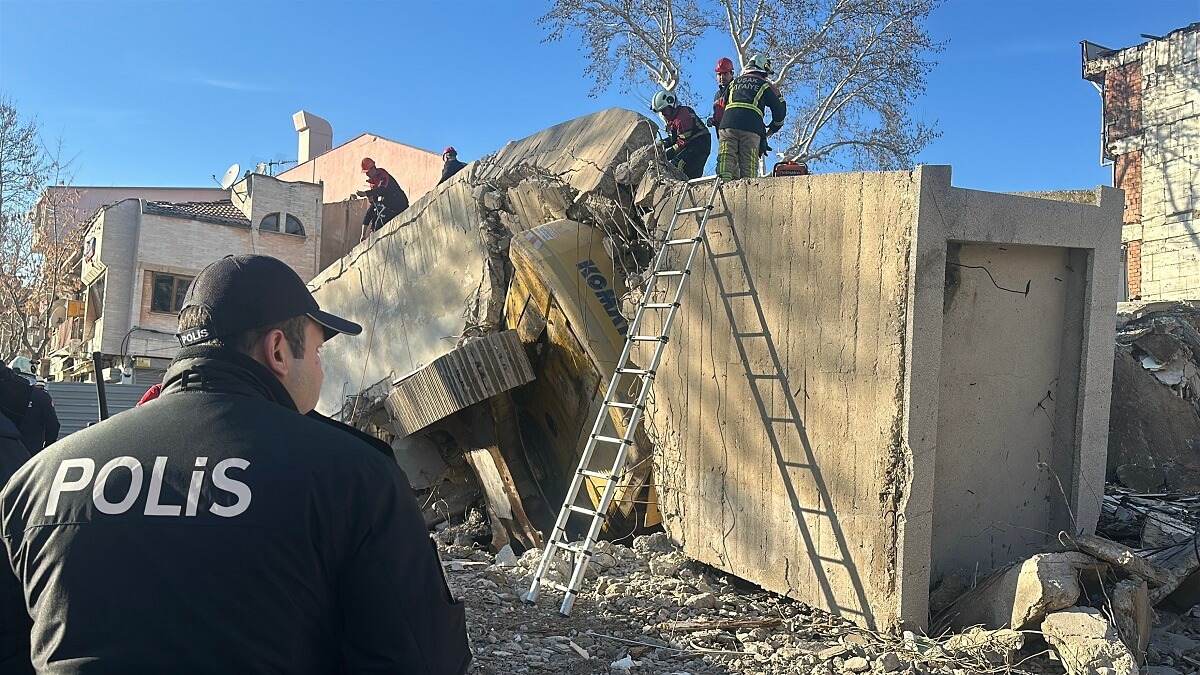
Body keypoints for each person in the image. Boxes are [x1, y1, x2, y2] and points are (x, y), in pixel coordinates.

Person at [0, 254, 471, 673]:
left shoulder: (36, 483)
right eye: (320, 350)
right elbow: (423, 659)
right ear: (279, 351)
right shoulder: (354, 477)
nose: (323, 371)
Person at [717, 54, 787, 181]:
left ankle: (722, 185)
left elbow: (723, 106)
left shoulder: (733, 83)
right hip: (751, 129)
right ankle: (745, 194)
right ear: (763, 69)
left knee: (726, 158)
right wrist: (771, 130)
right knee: (748, 166)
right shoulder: (765, 84)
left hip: (727, 126)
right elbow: (779, 110)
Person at [650, 89, 712, 180]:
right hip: (692, 145)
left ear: (671, 105)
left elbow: (682, 143)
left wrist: (665, 156)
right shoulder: (673, 119)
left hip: (699, 145)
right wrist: (660, 144)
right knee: (690, 177)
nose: (663, 113)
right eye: (660, 111)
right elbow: (673, 139)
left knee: (676, 167)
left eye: (664, 110)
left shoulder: (683, 117)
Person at [7, 358, 58, 456]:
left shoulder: (4, 395)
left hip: (5, 455)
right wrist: (47, 450)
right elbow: (53, 425)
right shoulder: (42, 397)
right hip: (31, 456)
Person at [357, 157, 410, 240]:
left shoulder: (383, 175)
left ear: (373, 169)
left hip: (399, 204)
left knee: (381, 216)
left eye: (367, 172)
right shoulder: (373, 183)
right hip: (388, 206)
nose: (366, 175)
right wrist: (363, 235)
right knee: (374, 213)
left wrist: (365, 193)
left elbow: (382, 189)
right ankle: (370, 236)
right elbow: (373, 205)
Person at [707, 57, 736, 129]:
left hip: (734, 132)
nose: (722, 77)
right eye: (719, 74)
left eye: (725, 73)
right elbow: (718, 116)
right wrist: (712, 120)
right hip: (722, 135)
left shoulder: (737, 89)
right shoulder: (717, 95)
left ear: (732, 73)